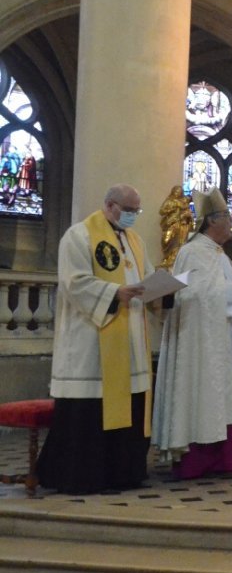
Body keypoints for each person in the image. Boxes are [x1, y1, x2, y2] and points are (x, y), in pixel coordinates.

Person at [37, 184, 153, 494]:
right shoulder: (80, 235)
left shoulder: (135, 241)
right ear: (111, 205)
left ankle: (123, 473)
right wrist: (115, 293)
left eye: (136, 211)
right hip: (91, 340)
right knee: (89, 415)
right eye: (129, 211)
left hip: (128, 342)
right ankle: (80, 476)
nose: (132, 217)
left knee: (128, 406)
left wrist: (159, 291)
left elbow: (147, 278)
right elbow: (74, 283)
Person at [153, 188, 232, 480]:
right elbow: (187, 293)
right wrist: (229, 290)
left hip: (217, 339)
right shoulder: (192, 251)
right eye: (228, 217)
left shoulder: (216, 253)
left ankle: (217, 460)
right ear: (213, 221)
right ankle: (195, 458)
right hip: (196, 341)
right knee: (197, 391)